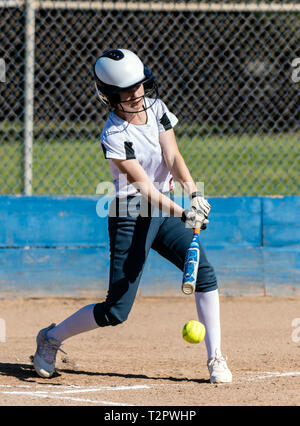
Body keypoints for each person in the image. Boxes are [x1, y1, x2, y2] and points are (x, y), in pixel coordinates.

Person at [33, 48, 232, 384]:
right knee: (115, 311)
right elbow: (143, 189)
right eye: (127, 90)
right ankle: (50, 338)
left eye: (140, 85)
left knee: (205, 274)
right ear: (110, 97)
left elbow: (172, 155)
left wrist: (194, 192)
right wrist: (184, 212)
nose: (138, 93)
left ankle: (215, 358)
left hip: (165, 209)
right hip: (131, 214)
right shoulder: (113, 134)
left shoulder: (157, 109)